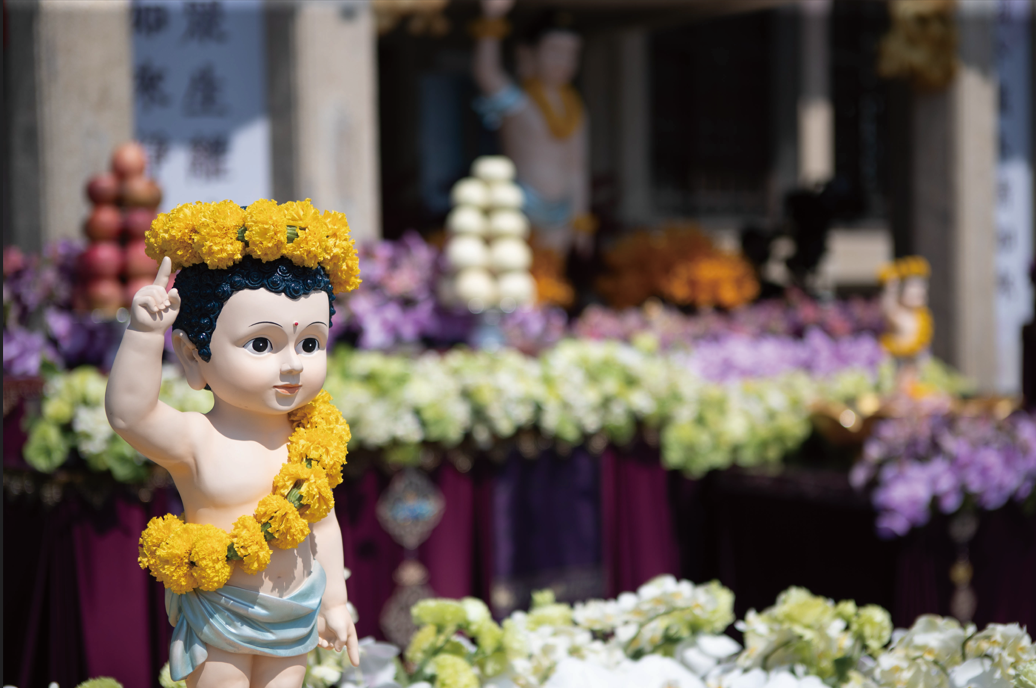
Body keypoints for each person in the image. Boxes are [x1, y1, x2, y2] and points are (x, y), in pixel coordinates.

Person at [105, 200, 361, 688]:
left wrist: (334, 603)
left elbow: (323, 527)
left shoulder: (309, 441)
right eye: (261, 344)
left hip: (294, 610)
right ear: (192, 356)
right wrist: (143, 333)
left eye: (310, 343)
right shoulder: (197, 439)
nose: (292, 365)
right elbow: (129, 414)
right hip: (220, 613)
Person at [472, 0, 595, 258]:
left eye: (571, 53)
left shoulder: (574, 109)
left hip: (561, 210)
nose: (564, 61)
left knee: (553, 273)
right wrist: (491, 18)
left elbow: (577, 168)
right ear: (527, 54)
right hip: (521, 206)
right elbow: (487, 73)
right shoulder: (519, 102)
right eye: (555, 51)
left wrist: (580, 218)